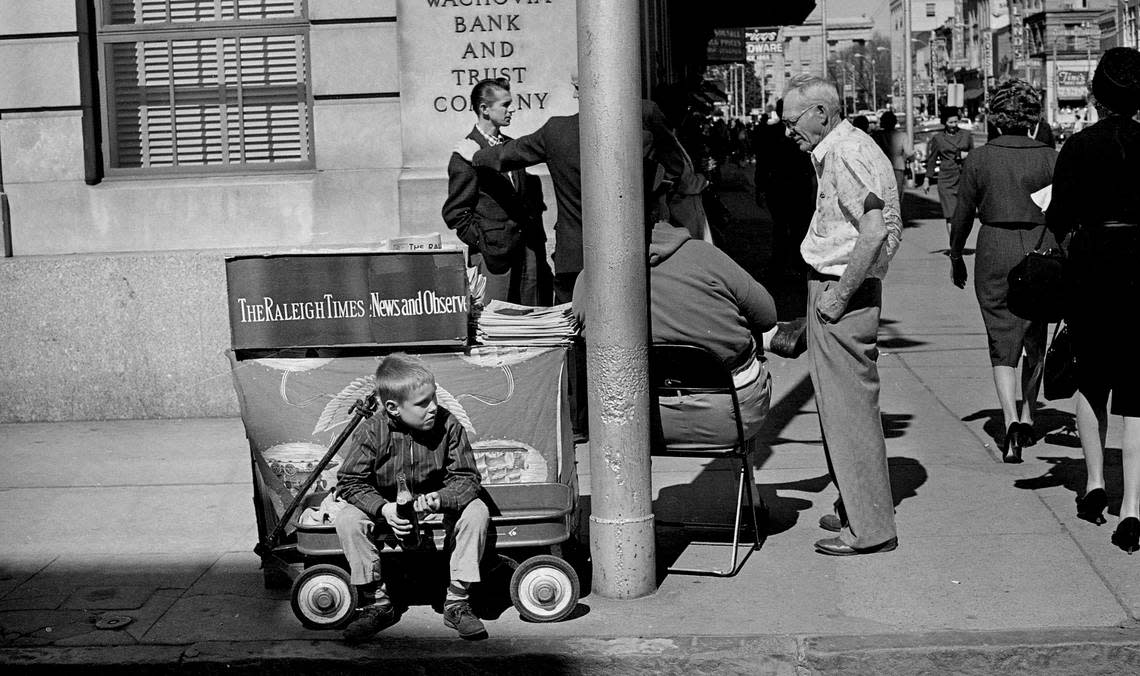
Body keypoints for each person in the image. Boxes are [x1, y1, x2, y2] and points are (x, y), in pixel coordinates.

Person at [781, 74, 903, 556]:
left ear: (822, 114)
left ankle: (871, 527)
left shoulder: (845, 153)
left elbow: (872, 232)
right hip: (842, 285)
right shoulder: (846, 147)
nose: (787, 130)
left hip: (842, 289)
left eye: (792, 121)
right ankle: (857, 506)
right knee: (840, 409)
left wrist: (836, 297)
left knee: (849, 413)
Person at [1046, 47, 1140, 553]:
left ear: (1098, 94)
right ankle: (1133, 510)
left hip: (1094, 269)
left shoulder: (1079, 147)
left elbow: (1058, 217)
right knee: (1137, 394)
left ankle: (1096, 485)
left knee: (1092, 378)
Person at [334, 354, 488, 642]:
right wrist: (383, 509)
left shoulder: (449, 425)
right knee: (348, 519)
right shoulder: (372, 430)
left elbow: (468, 478)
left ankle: (457, 601)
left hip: (437, 505)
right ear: (393, 407)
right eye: (422, 403)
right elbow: (350, 481)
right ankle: (377, 603)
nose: (433, 408)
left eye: (433, 398)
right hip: (386, 506)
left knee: (477, 512)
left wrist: (441, 499)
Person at [947, 79, 1056, 464]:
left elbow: (961, 216)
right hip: (1041, 248)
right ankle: (1028, 413)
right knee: (1035, 336)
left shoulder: (979, 159)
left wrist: (957, 254)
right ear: (1032, 116)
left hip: (993, 247)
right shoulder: (1049, 157)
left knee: (1000, 337)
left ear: (994, 117)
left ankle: (1009, 420)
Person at [443, 78, 552, 306]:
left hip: (528, 256)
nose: (511, 110)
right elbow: (455, 212)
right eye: (505, 105)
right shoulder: (464, 156)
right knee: (496, 325)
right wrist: (486, 242)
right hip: (493, 260)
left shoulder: (511, 148)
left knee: (531, 323)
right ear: (484, 109)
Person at [924, 106, 974, 235]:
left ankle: (958, 241)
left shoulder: (966, 135)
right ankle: (954, 246)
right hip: (946, 180)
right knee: (950, 214)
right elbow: (932, 160)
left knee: (963, 214)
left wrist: (966, 155)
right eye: (950, 122)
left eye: (956, 122)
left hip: (964, 178)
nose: (953, 125)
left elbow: (974, 156)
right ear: (944, 122)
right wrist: (926, 179)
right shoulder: (938, 139)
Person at [871, 111, 911, 220]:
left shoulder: (877, 135)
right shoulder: (902, 135)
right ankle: (896, 218)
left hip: (881, 167)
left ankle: (885, 218)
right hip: (898, 167)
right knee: (897, 195)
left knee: (883, 194)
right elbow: (908, 153)